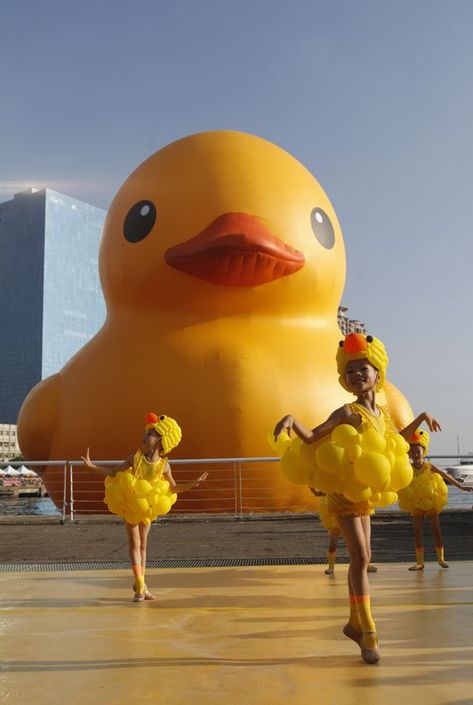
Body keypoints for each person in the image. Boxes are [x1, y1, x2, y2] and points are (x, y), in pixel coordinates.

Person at [273, 332, 440, 664]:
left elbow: (398, 441)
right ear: (344, 379)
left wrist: (420, 418)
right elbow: (313, 438)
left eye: (363, 368)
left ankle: (355, 623)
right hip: (343, 494)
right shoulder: (346, 412)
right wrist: (293, 420)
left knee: (365, 557)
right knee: (361, 557)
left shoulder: (381, 414)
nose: (357, 375)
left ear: (378, 373)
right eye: (351, 371)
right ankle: (368, 632)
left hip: (363, 494)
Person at [82, 412, 208, 602]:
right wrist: (93, 467)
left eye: (149, 435)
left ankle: (141, 584)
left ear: (159, 440)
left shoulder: (164, 465)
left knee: (143, 544)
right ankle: (140, 586)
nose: (144, 437)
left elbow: (174, 487)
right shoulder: (135, 458)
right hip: (131, 503)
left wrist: (193, 483)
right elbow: (115, 473)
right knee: (135, 542)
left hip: (149, 506)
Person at [402, 429, 473, 571]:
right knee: (417, 532)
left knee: (436, 531)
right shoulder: (408, 468)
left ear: (424, 452)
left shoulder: (430, 466)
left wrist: (461, 487)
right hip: (416, 503)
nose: (415, 455)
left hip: (431, 502)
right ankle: (419, 562)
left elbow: (447, 476)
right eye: (413, 452)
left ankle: (441, 559)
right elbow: (400, 481)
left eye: (418, 452)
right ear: (409, 454)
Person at [311, 489, 378, 575]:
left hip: (356, 505)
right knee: (334, 543)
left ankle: (366, 565)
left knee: (363, 549)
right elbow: (320, 491)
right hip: (338, 511)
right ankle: (331, 567)